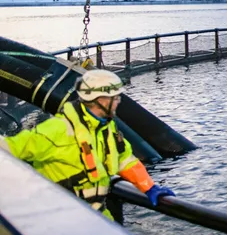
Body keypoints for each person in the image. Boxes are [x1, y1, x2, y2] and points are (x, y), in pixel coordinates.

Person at [1, 70, 174, 220]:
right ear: (102, 100)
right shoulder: (56, 129)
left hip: (96, 215)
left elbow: (125, 160)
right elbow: (9, 151)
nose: (118, 102)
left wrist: (150, 188)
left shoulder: (107, 129)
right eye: (115, 98)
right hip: (58, 220)